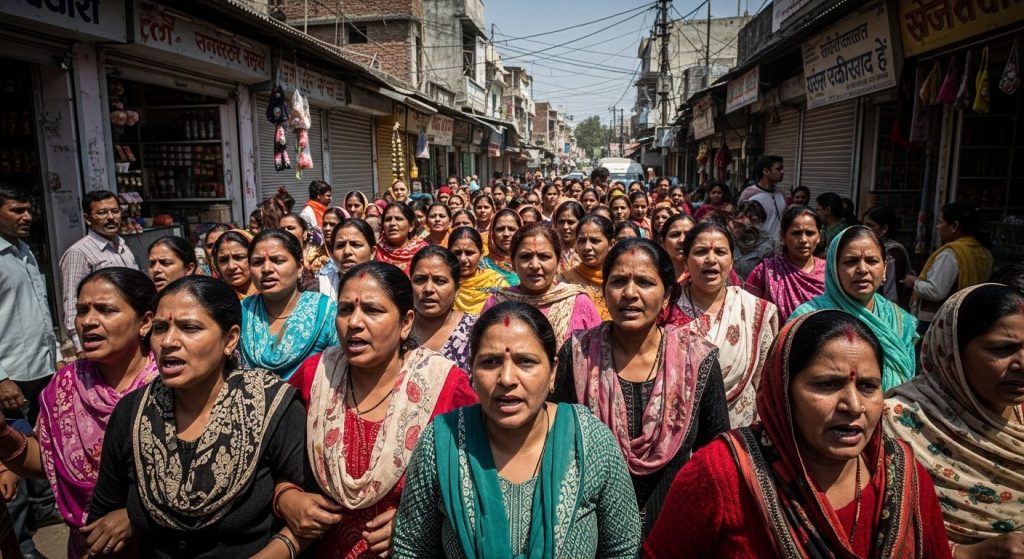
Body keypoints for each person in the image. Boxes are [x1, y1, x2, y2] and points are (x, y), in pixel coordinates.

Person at [643, 310, 952, 558]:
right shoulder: (724, 472)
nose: (854, 405)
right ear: (782, 393)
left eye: (868, 386)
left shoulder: (901, 473)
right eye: (827, 384)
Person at [392, 302, 642, 558]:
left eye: (525, 362)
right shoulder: (443, 443)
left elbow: (623, 548)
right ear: (472, 370)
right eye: (490, 362)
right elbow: (411, 549)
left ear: (553, 371)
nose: (507, 379)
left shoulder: (589, 442)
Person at [85, 276, 308, 558]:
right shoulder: (133, 412)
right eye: (160, 328)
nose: (168, 341)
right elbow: (103, 516)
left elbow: (310, 510)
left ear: (230, 339)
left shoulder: (272, 407)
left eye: (189, 328)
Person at [282, 262, 477, 559]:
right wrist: (286, 498)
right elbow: (273, 458)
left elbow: (477, 482)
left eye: (373, 311)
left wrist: (419, 520)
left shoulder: (445, 385)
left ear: (406, 322)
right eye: (346, 310)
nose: (355, 323)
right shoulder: (315, 375)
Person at [551, 237, 729, 533]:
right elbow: (559, 443)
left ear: (668, 295)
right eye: (618, 281)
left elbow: (715, 454)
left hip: (675, 528)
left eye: (645, 283)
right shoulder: (578, 354)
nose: (630, 294)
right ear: (604, 291)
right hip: (592, 527)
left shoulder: (698, 360)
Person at [0, 268, 157, 558]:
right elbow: (44, 464)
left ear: (145, 322)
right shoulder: (65, 386)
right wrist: (2, 435)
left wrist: (134, 514)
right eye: (82, 310)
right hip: (87, 547)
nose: (88, 321)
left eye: (106, 310)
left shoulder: (168, 384)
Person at [884, 284, 1024, 558]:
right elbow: (876, 533)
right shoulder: (899, 423)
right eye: (1002, 349)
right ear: (952, 352)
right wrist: (964, 553)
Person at [673, 223, 779, 427]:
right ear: (686, 261)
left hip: (739, 431)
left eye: (720, 252)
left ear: (731, 261)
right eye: (701, 251)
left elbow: (764, 383)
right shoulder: (665, 309)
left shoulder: (753, 310)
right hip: (679, 430)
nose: (711, 260)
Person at [792, 227, 918, 391]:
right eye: (851, 261)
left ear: (885, 268)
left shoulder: (901, 321)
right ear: (834, 268)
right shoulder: (807, 318)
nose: (863, 270)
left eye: (872, 261)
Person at [241, 230, 338, 380]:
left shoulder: (324, 311)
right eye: (257, 262)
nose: (266, 269)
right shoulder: (241, 312)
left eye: (278, 260)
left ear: (299, 267)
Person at [483, 223, 600, 342]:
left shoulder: (579, 302)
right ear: (513, 262)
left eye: (544, 256)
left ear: (558, 261)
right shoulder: (497, 303)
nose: (534, 265)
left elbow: (597, 353)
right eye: (525, 256)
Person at [60, 189, 140, 355]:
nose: (111, 217)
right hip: (105, 336)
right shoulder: (79, 253)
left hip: (133, 333)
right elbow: (72, 304)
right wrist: (81, 348)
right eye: (102, 213)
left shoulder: (123, 246)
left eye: (115, 211)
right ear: (88, 219)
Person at [905, 201, 994, 332]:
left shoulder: (951, 253)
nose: (937, 227)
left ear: (954, 226)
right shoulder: (983, 252)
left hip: (938, 322)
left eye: (941, 222)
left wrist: (914, 282)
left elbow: (935, 292)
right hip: (967, 317)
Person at [744, 205, 826, 319]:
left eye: (810, 233)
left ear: (819, 237)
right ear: (783, 236)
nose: (803, 240)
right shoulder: (765, 271)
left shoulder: (829, 273)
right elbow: (748, 311)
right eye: (796, 233)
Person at [410, 246, 480, 371]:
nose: (428, 289)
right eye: (420, 280)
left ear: (457, 289)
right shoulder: (398, 329)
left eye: (440, 281)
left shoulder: (476, 330)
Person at [559, 215, 614, 321]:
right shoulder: (564, 281)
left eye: (595, 241)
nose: (587, 247)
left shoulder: (621, 280)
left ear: (611, 244)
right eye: (582, 241)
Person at [448, 227, 508, 316]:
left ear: (481, 253)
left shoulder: (496, 282)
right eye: (457, 253)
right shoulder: (443, 282)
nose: (463, 259)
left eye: (469, 253)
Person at [863, 206, 914, 309]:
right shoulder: (875, 248)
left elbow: (890, 291)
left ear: (884, 229)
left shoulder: (892, 253)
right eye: (864, 225)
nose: (865, 229)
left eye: (870, 225)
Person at [319, 219, 375, 300]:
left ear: (372, 252)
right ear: (332, 254)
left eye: (355, 244)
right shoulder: (317, 288)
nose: (347, 251)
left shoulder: (387, 288)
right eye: (340, 245)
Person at [738, 156, 787, 248]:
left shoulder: (781, 195)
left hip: (779, 250)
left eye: (782, 168)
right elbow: (740, 226)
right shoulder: (749, 195)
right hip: (756, 251)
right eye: (778, 169)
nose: (782, 172)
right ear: (766, 171)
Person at [375, 202, 429, 276]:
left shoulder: (424, 252)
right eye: (388, 219)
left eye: (398, 219)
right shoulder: (375, 251)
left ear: (411, 226)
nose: (392, 223)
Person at [729, 201, 773, 281]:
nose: (737, 221)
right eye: (737, 217)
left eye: (742, 217)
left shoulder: (767, 246)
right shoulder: (727, 240)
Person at [480, 208, 522, 287]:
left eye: (512, 229)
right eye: (500, 229)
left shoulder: (528, 262)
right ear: (492, 233)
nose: (506, 234)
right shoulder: (482, 266)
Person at [279, 212, 323, 290]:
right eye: (282, 229)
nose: (285, 232)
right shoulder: (276, 256)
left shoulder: (318, 257)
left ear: (305, 234)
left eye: (291, 228)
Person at [213, 229, 257, 300]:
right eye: (223, 260)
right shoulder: (212, 302)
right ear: (216, 264)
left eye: (239, 257)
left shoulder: (273, 297)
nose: (231, 266)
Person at [658, 213, 697, 283]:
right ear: (662, 242)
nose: (682, 240)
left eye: (688, 235)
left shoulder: (706, 278)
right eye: (675, 235)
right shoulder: (653, 276)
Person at [554, 200, 585, 273]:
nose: (565, 227)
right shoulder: (551, 249)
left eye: (571, 222)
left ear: (581, 223)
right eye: (561, 222)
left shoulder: (588, 250)